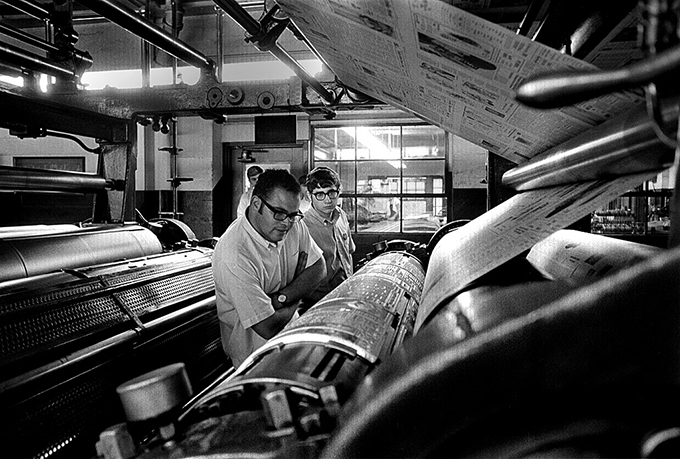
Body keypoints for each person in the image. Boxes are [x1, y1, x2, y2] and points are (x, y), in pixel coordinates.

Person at [212, 169, 326, 368]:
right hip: (254, 360)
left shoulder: (293, 225)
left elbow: (319, 267)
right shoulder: (235, 254)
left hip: (292, 339)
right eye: (280, 214)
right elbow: (267, 326)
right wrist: (299, 292)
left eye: (293, 215)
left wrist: (283, 297)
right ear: (256, 204)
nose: (287, 223)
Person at [301, 166, 356, 309]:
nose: (327, 200)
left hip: (345, 293)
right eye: (320, 194)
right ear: (309, 195)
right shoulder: (302, 227)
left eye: (331, 193)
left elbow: (349, 252)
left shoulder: (341, 215)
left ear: (339, 191)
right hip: (316, 302)